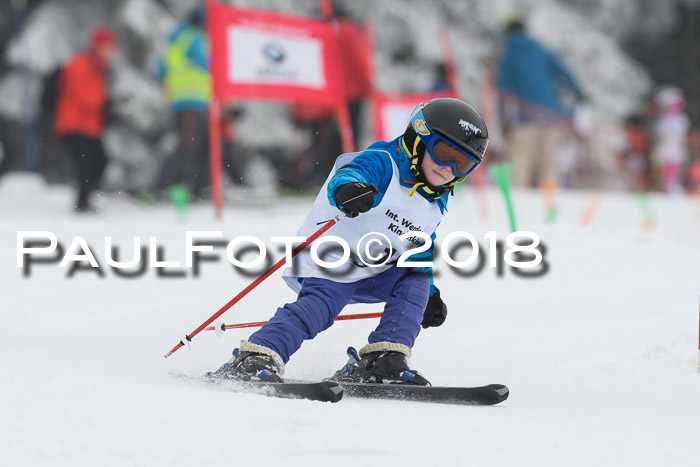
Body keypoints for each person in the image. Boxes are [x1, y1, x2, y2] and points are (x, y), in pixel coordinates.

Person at [210, 98, 489, 385]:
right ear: (419, 139)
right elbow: (351, 171)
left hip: (376, 269)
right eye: (443, 154)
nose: (449, 170)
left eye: (462, 163)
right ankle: (258, 356)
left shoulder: (435, 201)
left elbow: (419, 248)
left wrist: (427, 294)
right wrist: (350, 188)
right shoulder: (385, 162)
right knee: (319, 309)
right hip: (334, 260)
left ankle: (384, 358)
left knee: (415, 277)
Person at [496, 15, 584, 215]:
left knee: (519, 160)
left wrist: (503, 118)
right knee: (549, 161)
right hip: (552, 114)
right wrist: (579, 94)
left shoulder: (509, 55)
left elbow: (502, 91)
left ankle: (515, 206)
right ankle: (549, 204)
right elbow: (564, 72)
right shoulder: (542, 50)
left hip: (524, 117)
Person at [53, 27, 116, 212]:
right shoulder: (81, 63)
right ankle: (82, 202)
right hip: (74, 123)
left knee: (101, 160)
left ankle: (86, 198)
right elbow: (79, 92)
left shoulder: (100, 68)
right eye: (106, 47)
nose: (110, 51)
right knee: (86, 163)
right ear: (96, 46)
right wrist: (103, 104)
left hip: (90, 126)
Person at [156, 6, 211, 199]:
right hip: (192, 101)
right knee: (190, 146)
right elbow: (208, 64)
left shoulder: (176, 41)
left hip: (189, 102)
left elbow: (160, 71)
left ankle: (199, 188)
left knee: (200, 146)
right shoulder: (192, 38)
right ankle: (164, 186)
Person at [652, 87, 689, 194]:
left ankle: (672, 188)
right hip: (665, 151)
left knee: (674, 174)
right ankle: (664, 189)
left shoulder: (681, 119)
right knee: (663, 174)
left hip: (675, 151)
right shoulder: (663, 120)